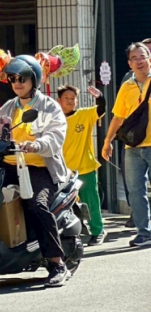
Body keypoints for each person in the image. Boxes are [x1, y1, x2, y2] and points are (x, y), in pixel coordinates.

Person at [0, 55, 70, 287]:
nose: (17, 83)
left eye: (22, 78)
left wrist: (37, 145)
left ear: (34, 79)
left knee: (37, 205)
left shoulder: (49, 107)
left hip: (39, 168)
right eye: (13, 78)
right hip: (8, 166)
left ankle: (56, 263)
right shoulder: (8, 107)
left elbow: (55, 136)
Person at [102, 42, 151, 247]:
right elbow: (117, 117)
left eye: (142, 56)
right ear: (129, 63)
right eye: (134, 58)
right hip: (133, 146)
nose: (139, 61)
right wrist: (107, 141)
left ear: (149, 58)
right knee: (135, 190)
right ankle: (145, 233)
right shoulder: (127, 86)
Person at [58, 85, 106, 246]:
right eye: (67, 98)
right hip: (63, 171)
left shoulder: (84, 115)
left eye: (73, 98)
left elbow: (101, 109)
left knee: (91, 201)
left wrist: (100, 96)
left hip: (85, 167)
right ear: (59, 101)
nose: (71, 101)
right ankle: (72, 231)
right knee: (64, 205)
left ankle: (98, 231)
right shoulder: (53, 119)